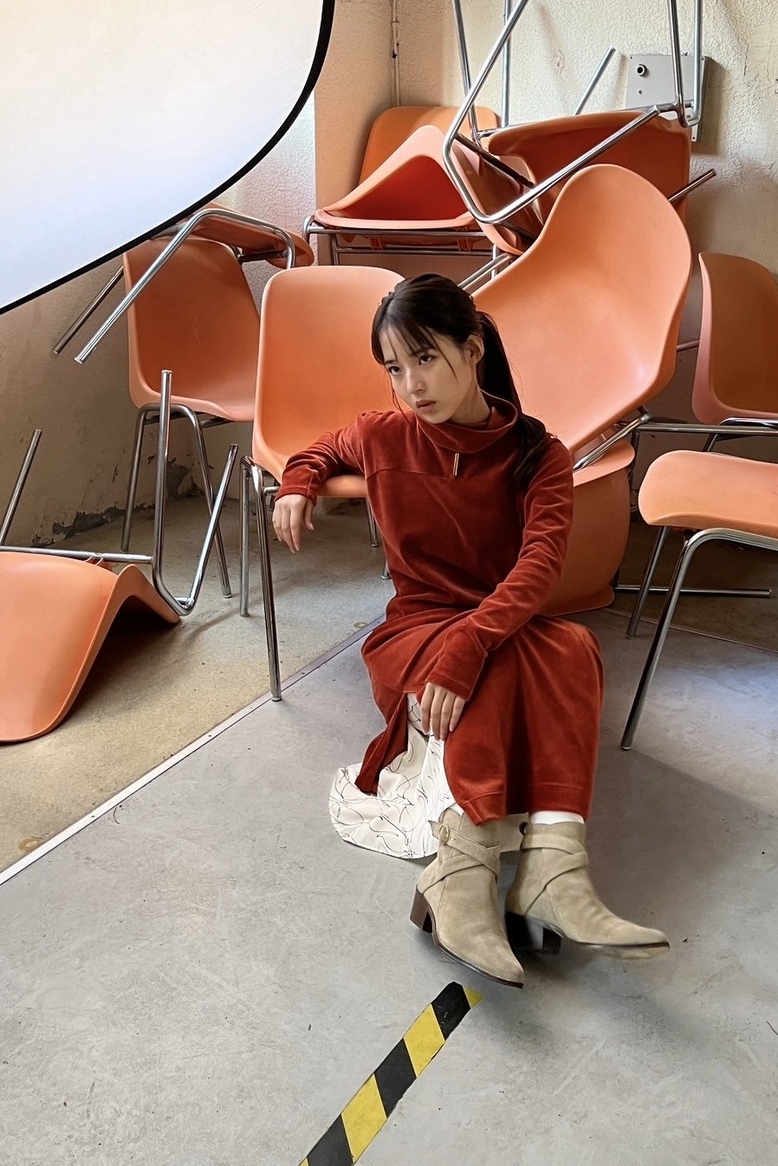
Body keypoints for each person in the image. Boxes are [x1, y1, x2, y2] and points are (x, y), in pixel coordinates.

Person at [272, 273, 669, 988]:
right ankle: (460, 876)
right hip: (413, 630)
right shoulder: (383, 435)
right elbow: (321, 449)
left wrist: (471, 641)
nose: (411, 385)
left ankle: (552, 871)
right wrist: (297, 485)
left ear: (473, 348)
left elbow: (539, 568)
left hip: (497, 619)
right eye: (394, 368)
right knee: (514, 661)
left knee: (573, 645)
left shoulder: (538, 454)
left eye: (425, 358)